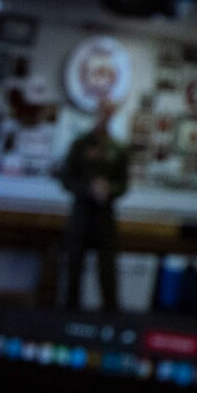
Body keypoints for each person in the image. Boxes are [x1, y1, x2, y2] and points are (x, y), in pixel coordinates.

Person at [58, 101, 131, 311]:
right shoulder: (80, 145)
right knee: (74, 263)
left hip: (104, 213)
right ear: (96, 113)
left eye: (108, 113)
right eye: (101, 112)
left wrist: (110, 189)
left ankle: (110, 312)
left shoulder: (118, 148)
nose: (104, 116)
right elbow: (67, 179)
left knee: (107, 265)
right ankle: (69, 310)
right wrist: (88, 188)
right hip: (81, 212)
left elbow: (124, 184)